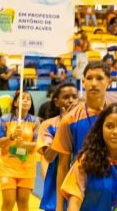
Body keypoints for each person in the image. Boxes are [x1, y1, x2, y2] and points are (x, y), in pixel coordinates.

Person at [52, 61, 112, 211]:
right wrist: (59, 207)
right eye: (89, 78)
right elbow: (63, 166)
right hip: (80, 194)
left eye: (99, 78)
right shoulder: (69, 120)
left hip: (111, 193)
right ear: (83, 82)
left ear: (109, 83)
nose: (94, 83)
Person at [61, 103, 117, 211]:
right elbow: (74, 203)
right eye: (109, 126)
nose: (115, 132)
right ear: (101, 128)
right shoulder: (86, 160)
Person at [37, 83, 78, 211]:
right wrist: (63, 127)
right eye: (66, 97)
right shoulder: (48, 125)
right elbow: (49, 156)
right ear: (56, 101)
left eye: (74, 97)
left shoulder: (86, 123)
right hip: (56, 183)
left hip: (80, 181)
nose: (71, 100)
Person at [0, 92, 40, 211]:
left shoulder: (35, 121)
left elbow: (37, 144)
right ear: (15, 103)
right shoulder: (4, 120)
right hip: (7, 167)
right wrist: (11, 137)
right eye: (22, 98)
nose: (26, 101)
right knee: (8, 202)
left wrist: (24, 144)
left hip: (27, 168)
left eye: (28, 99)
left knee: (23, 202)